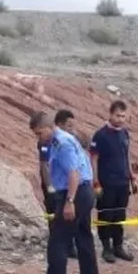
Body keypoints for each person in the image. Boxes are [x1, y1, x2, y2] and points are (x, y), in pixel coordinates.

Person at [29, 110, 100, 274]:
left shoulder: (62, 144)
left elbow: (73, 173)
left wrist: (69, 202)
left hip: (74, 193)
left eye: (39, 133)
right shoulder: (62, 140)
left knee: (58, 242)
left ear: (50, 127)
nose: (38, 138)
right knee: (84, 240)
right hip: (83, 192)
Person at [90, 100, 138, 263]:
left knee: (119, 215)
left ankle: (118, 247)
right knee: (106, 215)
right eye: (118, 115)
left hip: (122, 183)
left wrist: (132, 178)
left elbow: (127, 155)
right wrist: (95, 182)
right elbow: (94, 159)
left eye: (123, 116)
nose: (120, 119)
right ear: (110, 114)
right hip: (107, 183)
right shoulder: (100, 135)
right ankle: (106, 248)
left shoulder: (124, 133)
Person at [38, 110, 78, 259]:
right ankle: (56, 243)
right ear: (59, 125)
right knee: (53, 213)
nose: (71, 129)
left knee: (67, 214)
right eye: (69, 125)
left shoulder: (68, 140)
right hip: (52, 185)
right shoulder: (46, 141)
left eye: (73, 126)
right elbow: (44, 165)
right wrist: (49, 187)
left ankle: (70, 244)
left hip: (65, 185)